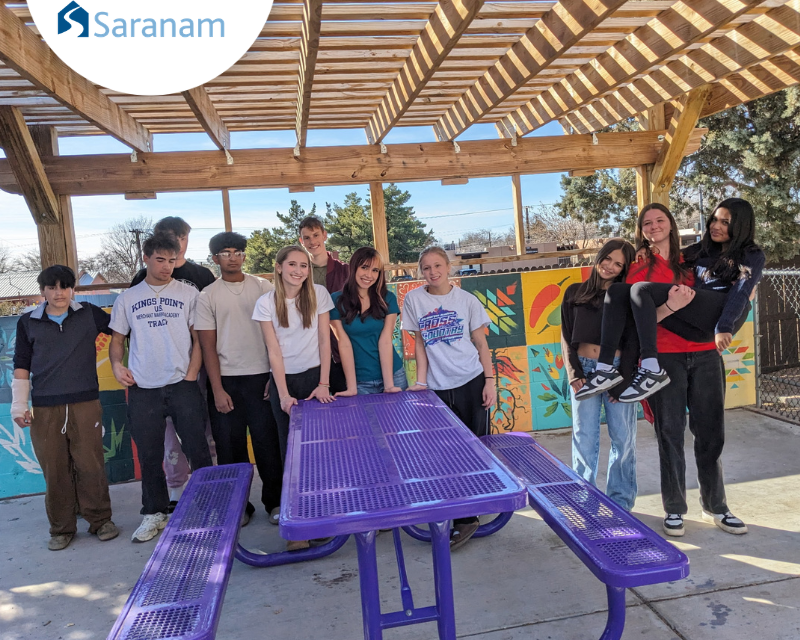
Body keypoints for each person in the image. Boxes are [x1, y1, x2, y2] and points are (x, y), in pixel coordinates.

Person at [585, 201, 762, 536]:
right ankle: (675, 509)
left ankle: (717, 506)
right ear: (640, 231)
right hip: (665, 356)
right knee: (670, 433)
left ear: (671, 223)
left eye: (660, 220)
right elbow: (637, 322)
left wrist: (743, 293)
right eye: (646, 223)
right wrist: (669, 306)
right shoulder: (639, 268)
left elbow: (726, 286)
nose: (654, 227)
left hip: (705, 353)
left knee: (710, 433)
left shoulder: (693, 258)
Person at [578, 200, 762, 404]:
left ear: (740, 225)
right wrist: (645, 249)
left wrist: (724, 328)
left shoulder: (752, 255)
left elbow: (741, 291)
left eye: (725, 222)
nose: (716, 226)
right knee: (617, 290)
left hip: (718, 319)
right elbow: (635, 322)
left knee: (641, 290)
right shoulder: (700, 251)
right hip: (691, 329)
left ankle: (651, 367)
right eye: (714, 220)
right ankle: (605, 368)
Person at [110, 232, 213, 543]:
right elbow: (117, 340)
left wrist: (192, 374)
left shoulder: (189, 293)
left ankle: (209, 507)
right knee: (150, 453)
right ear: (146, 258)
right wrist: (116, 365)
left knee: (198, 448)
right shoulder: (127, 298)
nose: (167, 266)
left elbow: (198, 339)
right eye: (160, 260)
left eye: (172, 260)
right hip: (143, 386)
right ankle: (154, 513)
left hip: (182, 383)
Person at [12, 265, 118, 550]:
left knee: (90, 464)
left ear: (73, 289)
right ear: (43, 291)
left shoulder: (89, 314)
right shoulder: (27, 322)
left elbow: (121, 332)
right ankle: (61, 528)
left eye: (65, 287)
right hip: (46, 408)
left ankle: (100, 520)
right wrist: (19, 405)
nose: (59, 293)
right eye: (52, 287)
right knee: (55, 469)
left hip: (86, 403)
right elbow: (21, 364)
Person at [403, 246, 496, 550]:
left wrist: (490, 381)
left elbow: (481, 344)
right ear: (421, 271)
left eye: (437, 266)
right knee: (443, 452)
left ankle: (469, 515)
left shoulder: (466, 300)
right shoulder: (414, 299)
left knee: (475, 447)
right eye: (426, 267)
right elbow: (419, 344)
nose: (432, 272)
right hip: (437, 386)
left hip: (471, 379)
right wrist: (420, 381)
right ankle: (453, 507)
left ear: (448, 267)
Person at [252, 245, 337, 551]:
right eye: (292, 264)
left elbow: (325, 340)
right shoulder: (265, 303)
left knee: (320, 452)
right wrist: (284, 395)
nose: (299, 271)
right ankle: (298, 527)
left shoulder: (318, 294)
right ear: (278, 267)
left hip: (315, 380)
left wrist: (324, 383)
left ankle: (321, 516)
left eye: (304, 265)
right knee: (292, 456)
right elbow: (273, 352)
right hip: (285, 384)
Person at [196, 232, 282, 526]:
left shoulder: (264, 287)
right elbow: (207, 346)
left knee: (267, 444)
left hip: (262, 378)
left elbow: (278, 334)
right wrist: (217, 389)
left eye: (238, 252)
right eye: (225, 253)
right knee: (230, 448)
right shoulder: (207, 295)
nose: (232, 258)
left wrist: (274, 375)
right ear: (214, 258)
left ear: (245, 255)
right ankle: (238, 507)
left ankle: (276, 502)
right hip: (226, 382)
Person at [131, 216, 217, 511]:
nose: (178, 244)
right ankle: (176, 488)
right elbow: (132, 328)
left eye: (183, 238)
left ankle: (209, 486)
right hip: (157, 373)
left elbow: (210, 321)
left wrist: (197, 369)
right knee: (167, 434)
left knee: (202, 430)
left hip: (197, 368)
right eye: (171, 238)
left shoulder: (201, 275)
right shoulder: (140, 279)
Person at [560, 239, 639, 511]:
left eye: (618, 264)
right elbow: (565, 336)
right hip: (583, 370)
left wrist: (624, 378)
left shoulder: (627, 297)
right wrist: (574, 373)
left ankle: (621, 503)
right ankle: (585, 502)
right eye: (607, 259)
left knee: (623, 437)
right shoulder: (574, 292)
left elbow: (633, 340)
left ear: (624, 269)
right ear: (599, 257)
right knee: (584, 437)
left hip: (617, 371)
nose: (610, 266)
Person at [330, 247, 407, 395]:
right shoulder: (336, 300)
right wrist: (352, 387)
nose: (369, 275)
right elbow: (343, 343)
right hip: (360, 381)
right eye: (364, 267)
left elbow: (386, 341)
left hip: (394, 375)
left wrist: (389, 385)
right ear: (353, 267)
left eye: (375, 270)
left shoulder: (387, 298)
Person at [298, 216, 349, 393]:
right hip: (310, 351)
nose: (312, 241)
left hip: (341, 348)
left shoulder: (345, 271)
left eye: (316, 235)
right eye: (307, 237)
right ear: (301, 241)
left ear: (324, 235)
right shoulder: (298, 274)